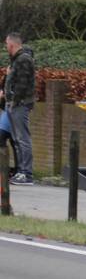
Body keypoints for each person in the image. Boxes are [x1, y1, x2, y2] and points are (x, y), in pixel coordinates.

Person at [4, 32, 34, 185]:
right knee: (17, 139)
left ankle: (26, 173)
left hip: (19, 104)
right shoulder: (16, 60)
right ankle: (21, 171)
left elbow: (22, 84)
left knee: (22, 139)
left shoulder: (23, 60)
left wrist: (14, 100)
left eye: (6, 45)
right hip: (14, 104)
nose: (6, 47)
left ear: (12, 44)